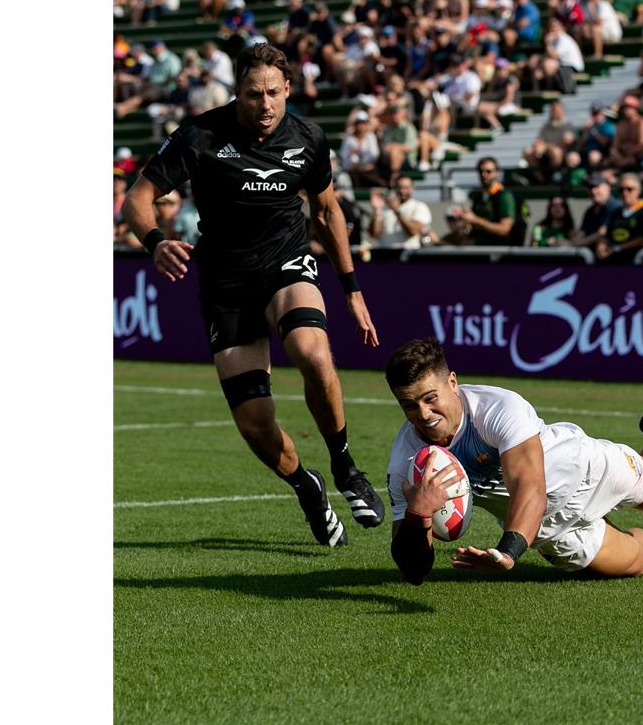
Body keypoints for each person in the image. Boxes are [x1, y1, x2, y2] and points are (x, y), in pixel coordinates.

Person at [120, 44, 385, 547]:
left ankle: (346, 466)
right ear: (236, 92)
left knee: (311, 351)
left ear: (288, 89)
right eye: (252, 94)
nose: (264, 105)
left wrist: (352, 290)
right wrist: (155, 242)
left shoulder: (308, 137)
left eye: (272, 93)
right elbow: (138, 198)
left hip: (286, 262)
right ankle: (308, 487)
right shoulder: (200, 135)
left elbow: (328, 214)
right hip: (225, 281)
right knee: (255, 425)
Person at [384, 337, 643, 583]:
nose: (424, 414)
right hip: (548, 528)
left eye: (431, 399)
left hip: (588, 470)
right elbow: (413, 571)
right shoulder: (407, 461)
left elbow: (529, 487)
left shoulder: (496, 409)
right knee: (635, 563)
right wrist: (418, 515)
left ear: (453, 383)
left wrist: (509, 551)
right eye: (409, 405)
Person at [447, 156, 518, 246]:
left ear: (496, 173)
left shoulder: (504, 196)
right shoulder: (479, 196)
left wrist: (476, 220)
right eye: (480, 171)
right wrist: (465, 219)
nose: (484, 175)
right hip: (480, 247)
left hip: (499, 250)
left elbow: (504, 229)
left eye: (488, 171)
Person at [596, 173, 643, 263]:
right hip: (612, 262)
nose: (625, 193)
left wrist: (618, 248)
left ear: (638, 190)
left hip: (635, 262)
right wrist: (602, 244)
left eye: (629, 189)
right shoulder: (615, 212)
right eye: (621, 190)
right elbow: (606, 234)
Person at [368, 174, 433, 249]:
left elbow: (413, 231)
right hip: (385, 255)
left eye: (406, 188)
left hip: (408, 255)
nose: (402, 191)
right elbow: (374, 234)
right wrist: (377, 210)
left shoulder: (419, 207)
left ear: (412, 189)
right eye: (399, 187)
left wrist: (396, 210)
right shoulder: (385, 207)